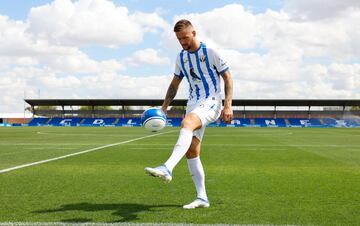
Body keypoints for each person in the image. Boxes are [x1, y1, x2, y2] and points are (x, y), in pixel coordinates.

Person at [145, 19, 233, 209]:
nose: (183, 42)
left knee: (187, 123)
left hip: (212, 101)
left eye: (185, 37)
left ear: (194, 33)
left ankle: (167, 167)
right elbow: (175, 83)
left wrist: (228, 105)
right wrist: (164, 107)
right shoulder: (181, 57)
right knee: (192, 152)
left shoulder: (210, 52)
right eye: (179, 39)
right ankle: (202, 198)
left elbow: (227, 77)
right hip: (193, 103)